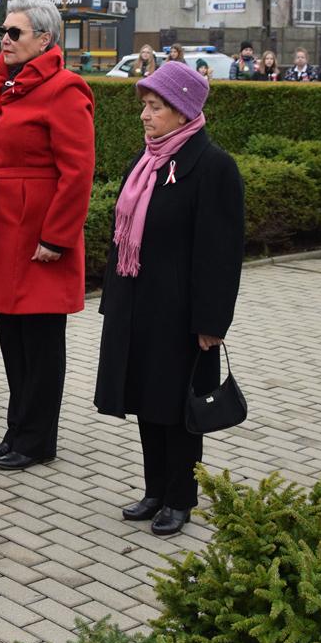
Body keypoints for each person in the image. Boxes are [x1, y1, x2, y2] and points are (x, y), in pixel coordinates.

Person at [95, 63, 243, 537]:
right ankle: (155, 489)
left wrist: (211, 321)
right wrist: (114, 301)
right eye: (144, 105)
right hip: (139, 307)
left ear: (182, 112)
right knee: (146, 401)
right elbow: (122, 239)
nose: (144, 115)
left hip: (182, 315)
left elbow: (221, 253)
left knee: (179, 411)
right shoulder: (147, 161)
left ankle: (181, 497)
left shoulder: (213, 166)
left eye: (154, 106)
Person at [0, 0, 95, 472]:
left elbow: (77, 173)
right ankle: (17, 429)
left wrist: (57, 237)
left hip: (37, 237)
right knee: (12, 338)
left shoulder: (65, 90)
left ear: (45, 39)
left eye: (15, 33)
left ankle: (37, 439)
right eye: (3, 31)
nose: (4, 39)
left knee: (41, 341)